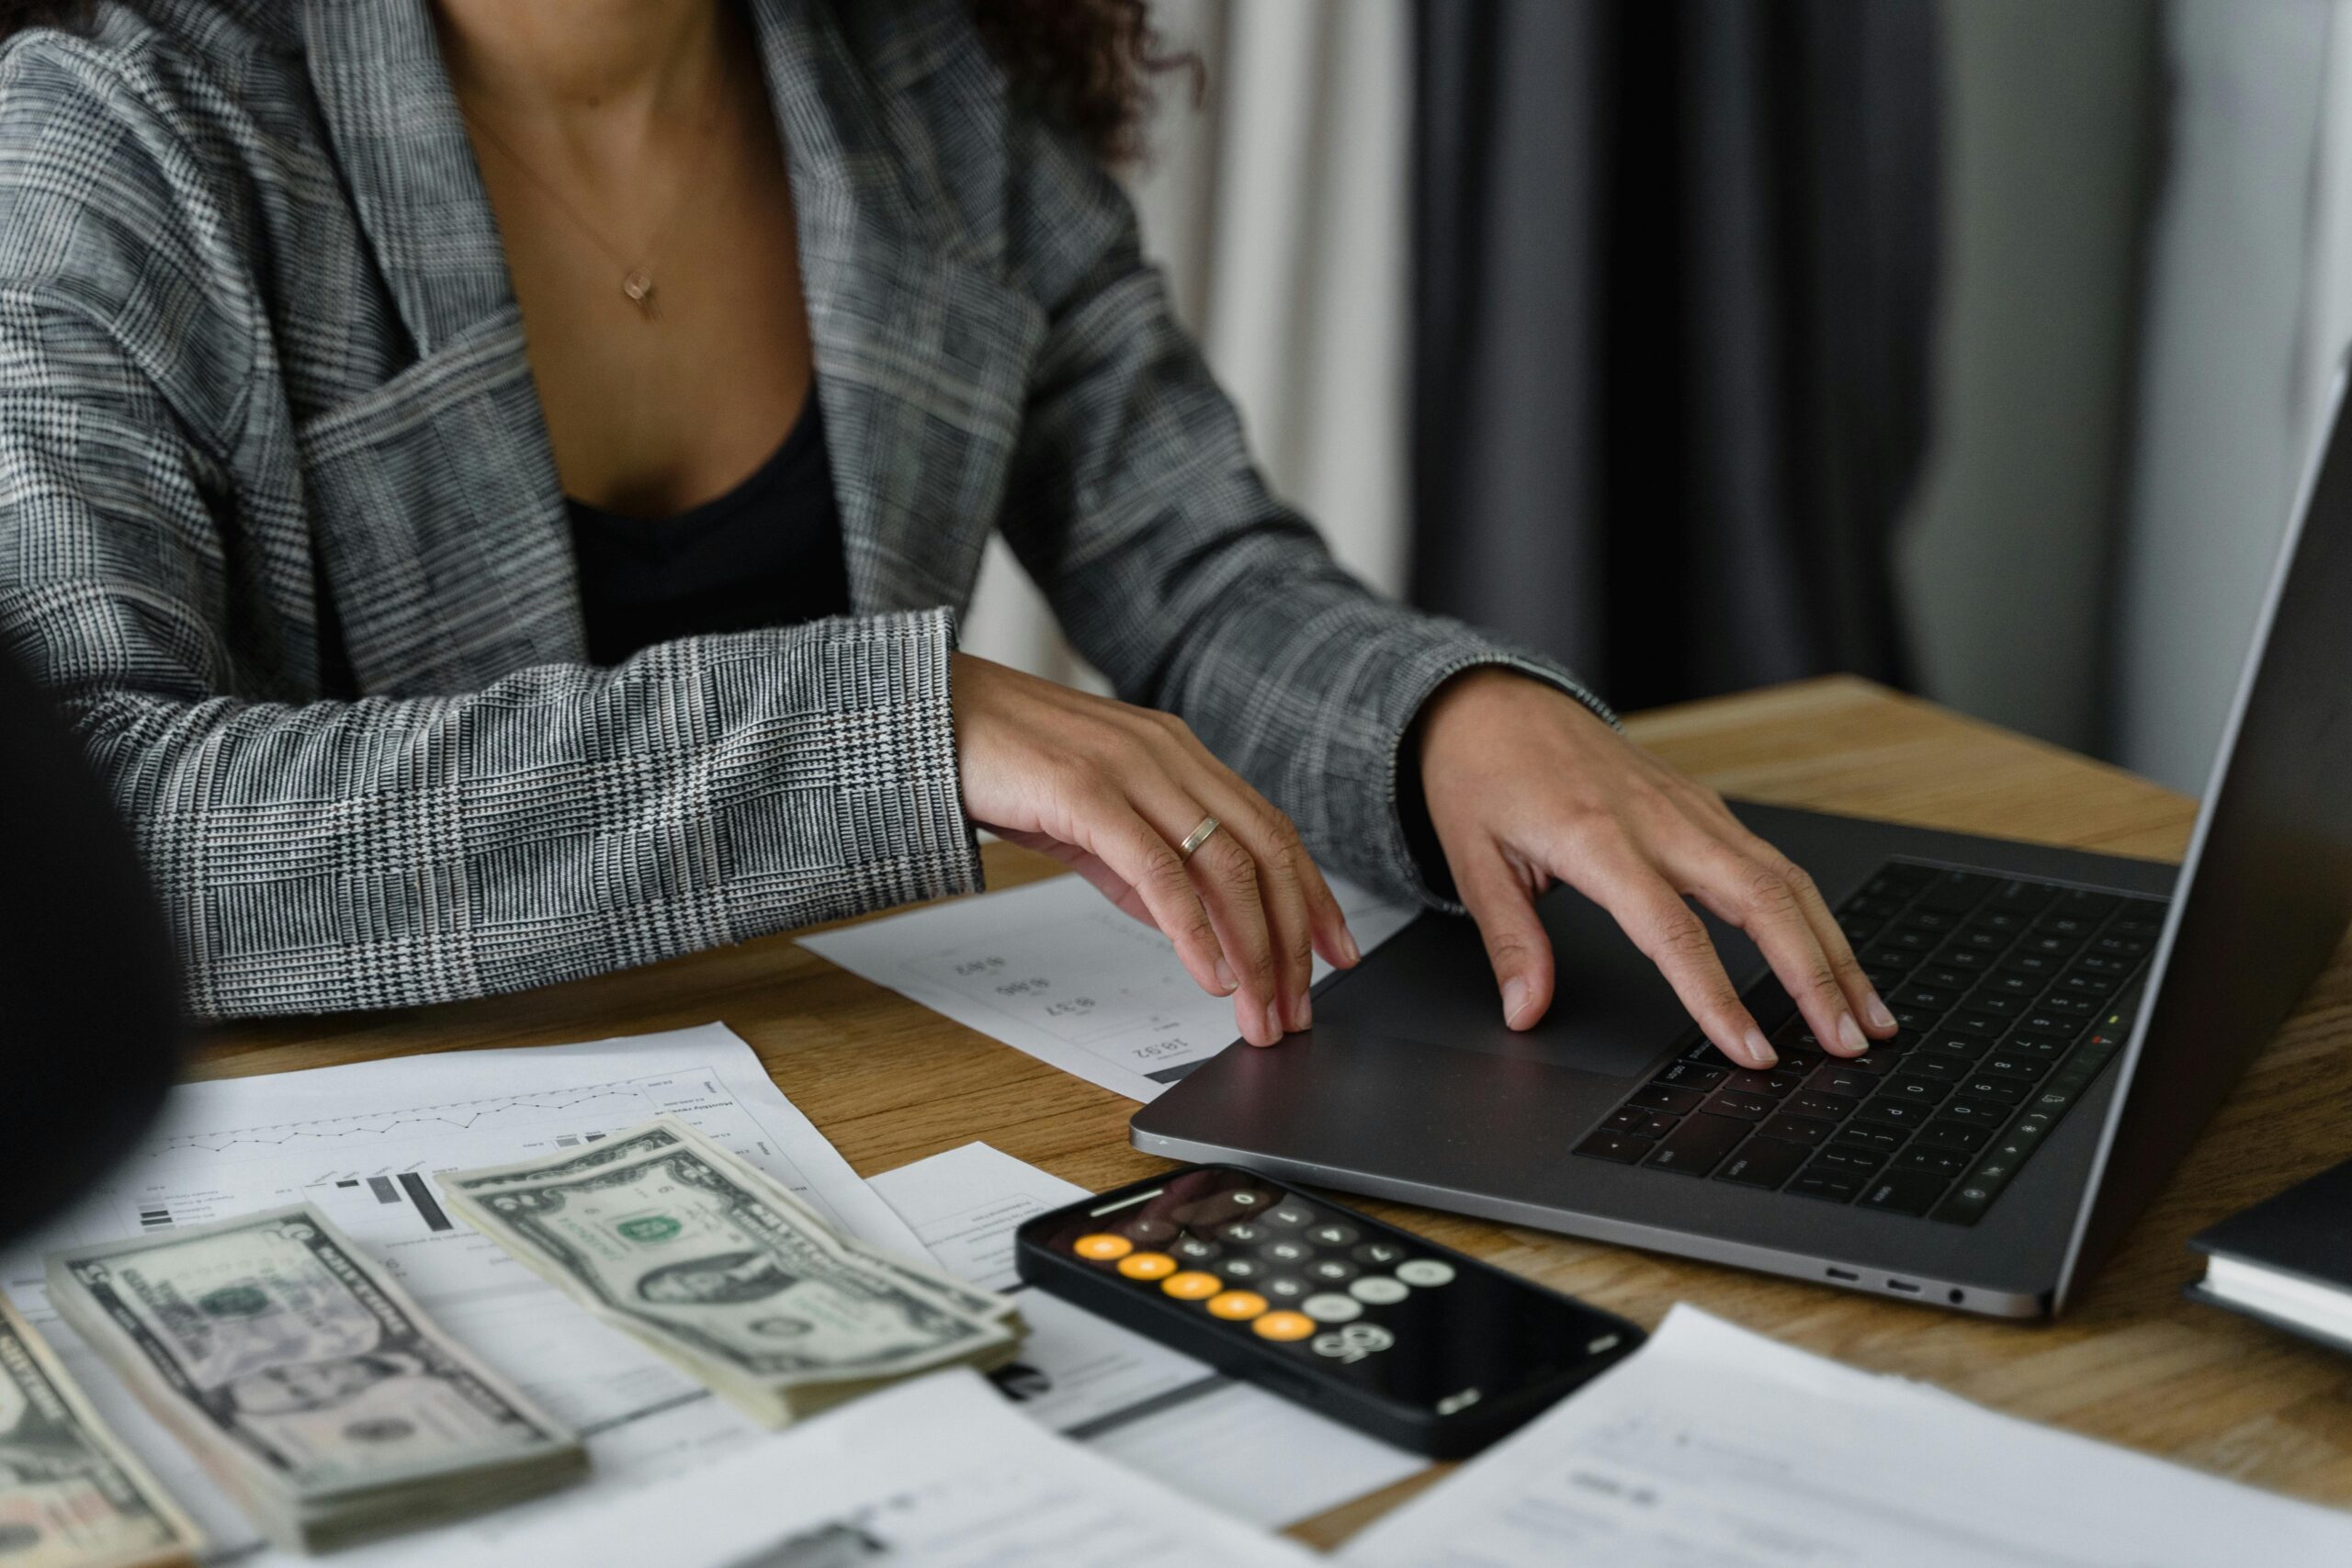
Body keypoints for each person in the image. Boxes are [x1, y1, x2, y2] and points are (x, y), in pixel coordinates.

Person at [0, 0, 1895, 1072]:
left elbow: (1198, 568)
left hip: (837, 1102)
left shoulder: (929, 91)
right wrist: (885, 730)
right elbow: (103, 828)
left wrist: (1445, 717)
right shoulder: (118, 125)